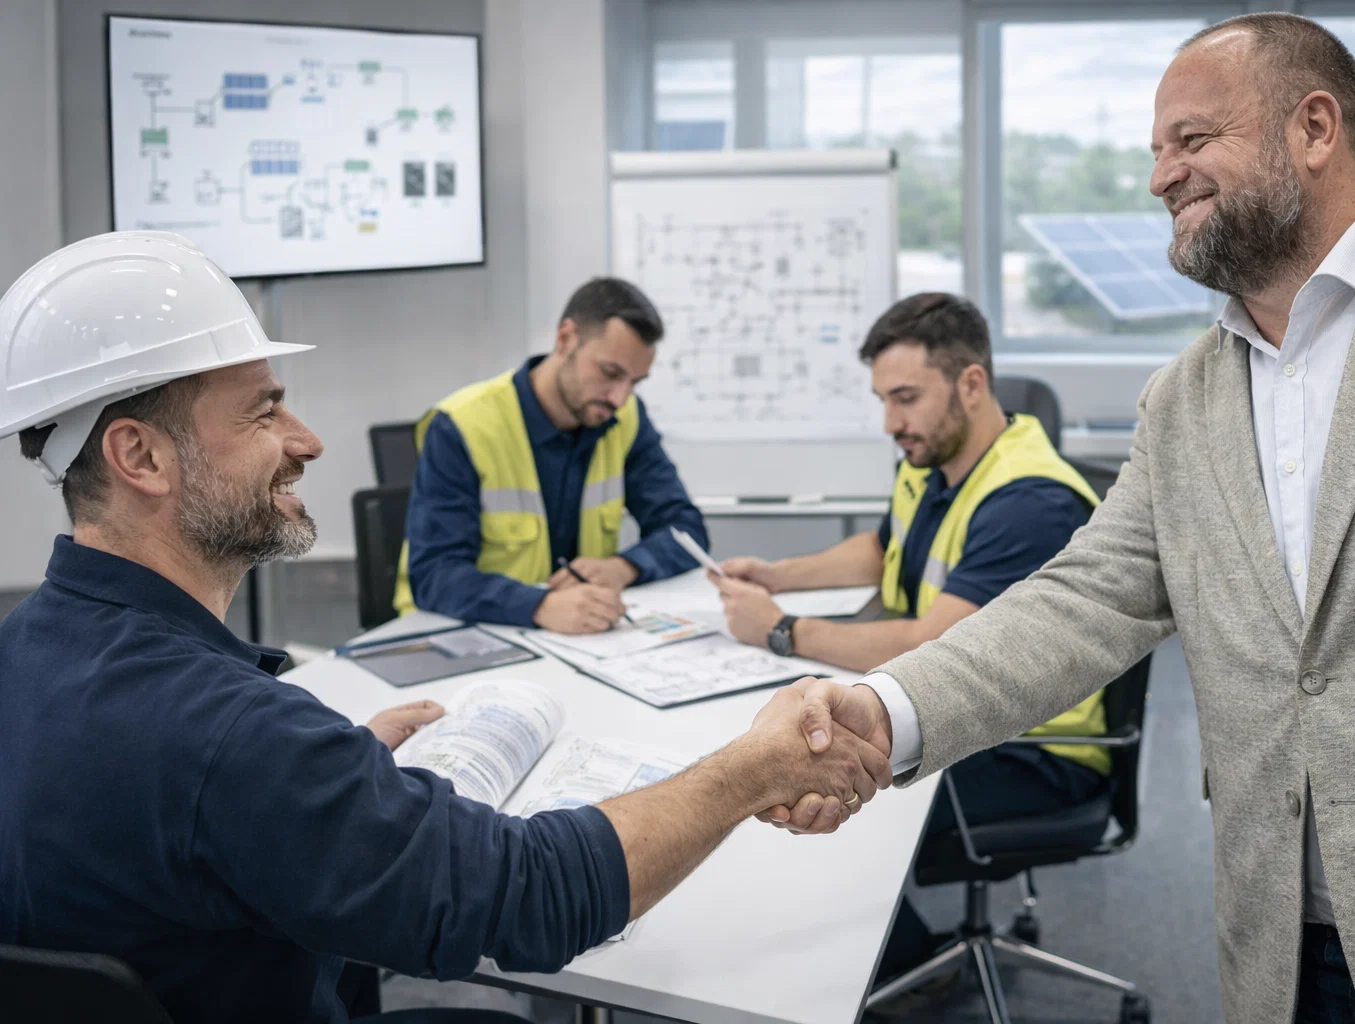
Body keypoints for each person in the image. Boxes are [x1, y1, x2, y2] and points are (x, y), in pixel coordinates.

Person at [764, 13, 1355, 1024]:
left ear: (1313, 128)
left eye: (1192, 140)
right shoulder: (1182, 400)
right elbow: (1079, 604)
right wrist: (884, 709)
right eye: (1156, 150)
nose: (1160, 177)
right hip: (1276, 930)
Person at [0, 232, 889, 1024]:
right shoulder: (232, 739)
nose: (306, 440)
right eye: (265, 410)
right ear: (140, 457)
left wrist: (323, 776)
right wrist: (753, 765)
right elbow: (530, 898)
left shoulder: (24, 652)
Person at [709, 293, 1104, 990]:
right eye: (882, 400)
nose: (891, 423)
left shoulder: (1027, 500)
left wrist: (780, 628)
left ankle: (910, 979)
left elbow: (931, 642)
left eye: (905, 398)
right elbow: (886, 548)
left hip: (1033, 747)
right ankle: (901, 964)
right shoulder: (936, 460)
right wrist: (778, 575)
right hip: (966, 717)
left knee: (820, 782)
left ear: (972, 384)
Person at [395, 277, 709, 634]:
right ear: (565, 339)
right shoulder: (463, 424)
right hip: (465, 634)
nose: (619, 397)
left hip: (576, 640)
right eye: (610, 373)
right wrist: (540, 605)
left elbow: (685, 529)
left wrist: (625, 567)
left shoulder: (625, 419)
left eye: (634, 382)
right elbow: (435, 575)